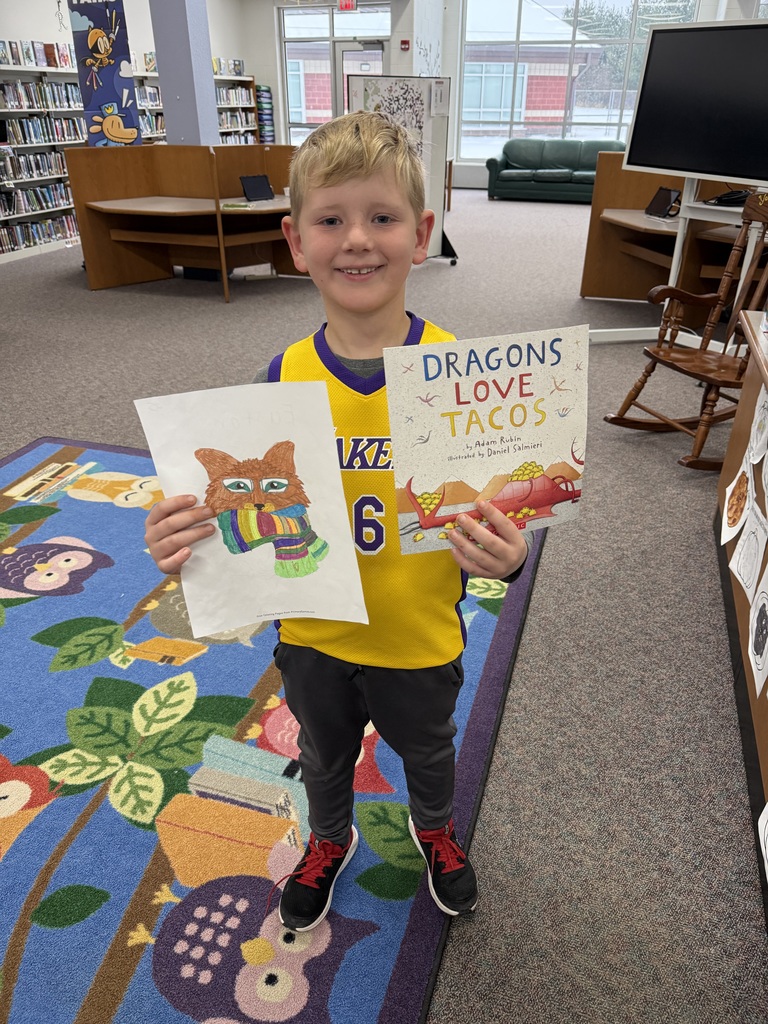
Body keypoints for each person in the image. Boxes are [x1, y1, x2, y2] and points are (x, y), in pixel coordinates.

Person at [144, 111, 530, 932]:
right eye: (331, 220)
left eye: (382, 217)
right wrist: (178, 539)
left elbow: (500, 514)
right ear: (296, 241)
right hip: (313, 637)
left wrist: (509, 557)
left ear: (421, 234)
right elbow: (227, 514)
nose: (357, 240)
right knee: (322, 757)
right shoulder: (273, 384)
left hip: (419, 636)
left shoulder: (461, 380)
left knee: (428, 753)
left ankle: (435, 831)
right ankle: (329, 836)